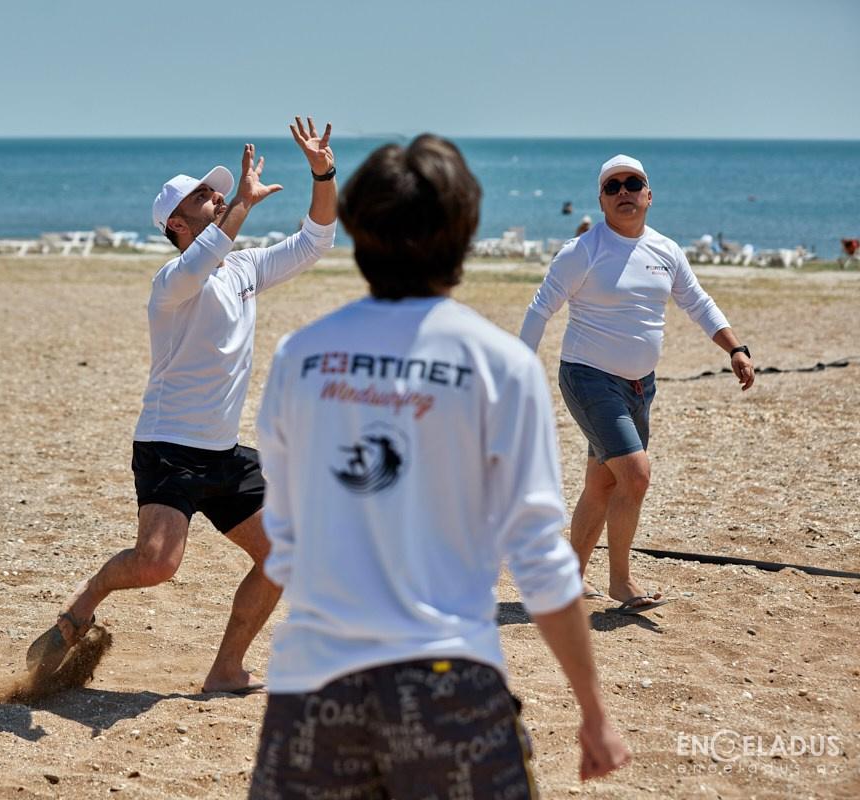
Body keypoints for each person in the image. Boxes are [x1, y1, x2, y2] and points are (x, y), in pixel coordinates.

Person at [248, 135, 629, 798]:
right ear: (464, 233)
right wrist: (593, 711)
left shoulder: (300, 356)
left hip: (311, 684)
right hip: (449, 681)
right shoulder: (500, 365)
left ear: (357, 230)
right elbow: (539, 557)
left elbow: (285, 530)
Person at [26, 117, 337, 695]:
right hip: (169, 447)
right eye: (203, 196)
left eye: (217, 192)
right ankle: (89, 596)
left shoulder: (244, 269)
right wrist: (242, 204)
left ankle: (226, 669)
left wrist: (323, 173)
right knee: (157, 565)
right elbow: (204, 258)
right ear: (176, 223)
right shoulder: (171, 282)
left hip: (223, 453)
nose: (216, 197)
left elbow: (316, 240)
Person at [519, 154, 755, 615]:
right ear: (601, 201)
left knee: (603, 483)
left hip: (641, 386)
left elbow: (698, 302)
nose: (623, 191)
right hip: (588, 378)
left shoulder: (666, 250)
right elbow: (540, 308)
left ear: (649, 195)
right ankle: (621, 582)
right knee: (636, 474)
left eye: (633, 183)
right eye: (613, 186)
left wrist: (735, 348)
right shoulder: (583, 250)